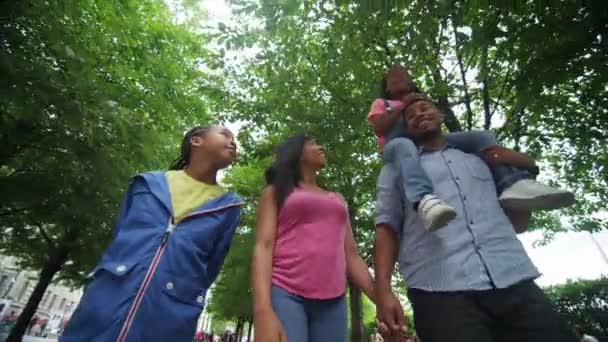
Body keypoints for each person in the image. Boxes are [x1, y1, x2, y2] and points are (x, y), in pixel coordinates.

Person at [373, 95, 578, 342]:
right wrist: (383, 289)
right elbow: (386, 227)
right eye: (410, 115)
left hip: (515, 280)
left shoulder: (483, 158)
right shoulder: (395, 169)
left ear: (440, 115)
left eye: (425, 108)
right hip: (439, 292)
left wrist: (525, 170)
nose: (419, 114)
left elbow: (519, 225)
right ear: (405, 128)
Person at [60, 126, 243, 342]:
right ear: (196, 141)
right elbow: (119, 238)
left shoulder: (229, 207)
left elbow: (212, 265)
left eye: (234, 139)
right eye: (225, 135)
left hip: (170, 315)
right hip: (107, 299)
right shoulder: (145, 184)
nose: (233, 142)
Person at [368, 65, 574, 231]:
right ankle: (424, 200)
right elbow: (379, 129)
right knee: (404, 146)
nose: (399, 81)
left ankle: (512, 182)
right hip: (398, 146)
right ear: (387, 88)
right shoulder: (383, 104)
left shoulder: (420, 101)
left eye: (402, 77)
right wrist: (403, 107)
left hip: (425, 139)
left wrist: (523, 165)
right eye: (393, 80)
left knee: (481, 136)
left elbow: (519, 227)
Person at [252, 135, 376, 342]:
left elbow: (352, 256)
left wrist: (381, 297)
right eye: (312, 143)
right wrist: (262, 309)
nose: (320, 147)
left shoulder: (337, 199)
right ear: (296, 153)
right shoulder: (274, 192)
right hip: (285, 291)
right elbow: (263, 247)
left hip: (334, 299)